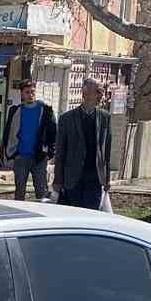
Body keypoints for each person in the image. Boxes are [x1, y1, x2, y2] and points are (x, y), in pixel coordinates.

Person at [54, 78, 112, 210]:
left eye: (101, 91)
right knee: (73, 215)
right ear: (85, 94)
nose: (101, 94)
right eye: (97, 91)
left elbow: (106, 150)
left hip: (95, 178)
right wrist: (58, 180)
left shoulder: (105, 118)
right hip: (72, 178)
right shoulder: (67, 119)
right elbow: (60, 152)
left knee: (92, 215)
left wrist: (107, 179)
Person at [2, 80, 56, 201]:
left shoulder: (46, 110)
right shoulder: (16, 110)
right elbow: (8, 132)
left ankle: (43, 215)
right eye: (27, 92)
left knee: (41, 192)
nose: (30, 95)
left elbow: (53, 132)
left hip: (39, 157)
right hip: (21, 157)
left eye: (32, 92)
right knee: (20, 192)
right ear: (21, 94)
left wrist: (50, 153)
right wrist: (11, 153)